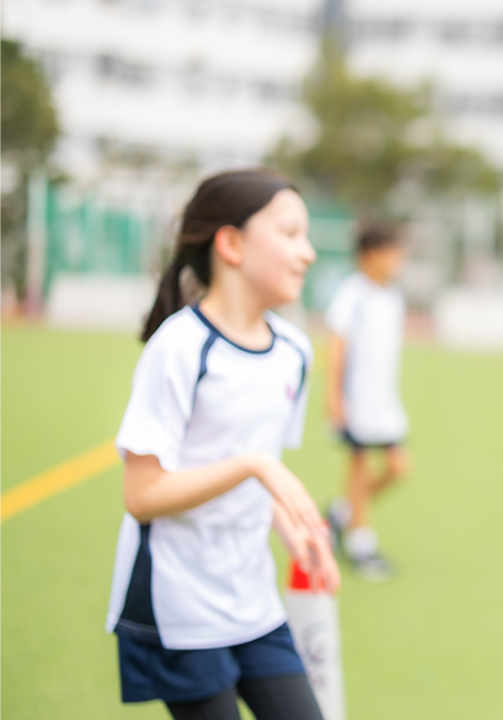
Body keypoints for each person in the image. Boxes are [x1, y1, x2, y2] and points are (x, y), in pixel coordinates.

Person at [106, 169, 339, 720]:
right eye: (289, 234)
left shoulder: (294, 351)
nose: (307, 252)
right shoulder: (179, 348)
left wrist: (295, 532)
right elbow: (142, 496)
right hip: (178, 607)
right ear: (231, 245)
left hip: (253, 600)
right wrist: (252, 467)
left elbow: (261, 469)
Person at [324, 223, 410, 582]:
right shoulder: (352, 295)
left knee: (398, 468)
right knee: (358, 470)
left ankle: (339, 515)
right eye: (393, 252)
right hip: (356, 402)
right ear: (370, 255)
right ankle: (361, 544)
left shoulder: (393, 298)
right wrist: (334, 398)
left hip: (384, 404)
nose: (399, 260)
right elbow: (337, 348)